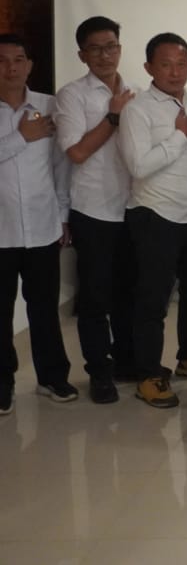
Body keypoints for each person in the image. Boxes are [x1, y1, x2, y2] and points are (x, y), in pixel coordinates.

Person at [119, 32, 187, 408]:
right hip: (155, 214)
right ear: (149, 68)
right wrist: (179, 135)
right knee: (153, 299)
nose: (175, 72)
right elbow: (138, 166)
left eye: (182, 63)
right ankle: (147, 374)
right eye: (165, 64)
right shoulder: (137, 110)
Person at [54, 16, 138, 402]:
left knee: (128, 292)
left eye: (111, 47)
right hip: (93, 210)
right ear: (82, 55)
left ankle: (126, 360)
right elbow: (76, 151)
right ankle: (99, 371)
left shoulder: (136, 91)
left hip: (134, 206)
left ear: (120, 48)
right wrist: (113, 116)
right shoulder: (71, 95)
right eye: (96, 49)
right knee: (94, 297)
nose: (105, 55)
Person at [0, 34, 74, 414]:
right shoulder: (30, 123)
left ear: (29, 65)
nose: (11, 68)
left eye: (18, 59)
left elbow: (61, 166)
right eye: (2, 61)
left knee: (44, 307)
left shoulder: (49, 106)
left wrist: (63, 216)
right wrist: (20, 137)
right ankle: (3, 384)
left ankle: (52, 377)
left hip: (43, 226)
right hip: (1, 231)